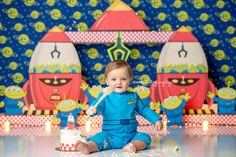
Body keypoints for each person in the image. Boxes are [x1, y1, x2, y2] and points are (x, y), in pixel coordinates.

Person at [76, 60, 163, 154]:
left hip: (131, 135)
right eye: (114, 79)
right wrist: (93, 110)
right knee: (98, 139)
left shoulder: (133, 96)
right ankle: (88, 147)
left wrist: (156, 119)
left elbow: (144, 110)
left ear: (130, 79)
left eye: (123, 79)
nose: (119, 83)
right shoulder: (104, 96)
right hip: (109, 135)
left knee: (145, 138)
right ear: (107, 81)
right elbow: (98, 106)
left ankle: (133, 146)